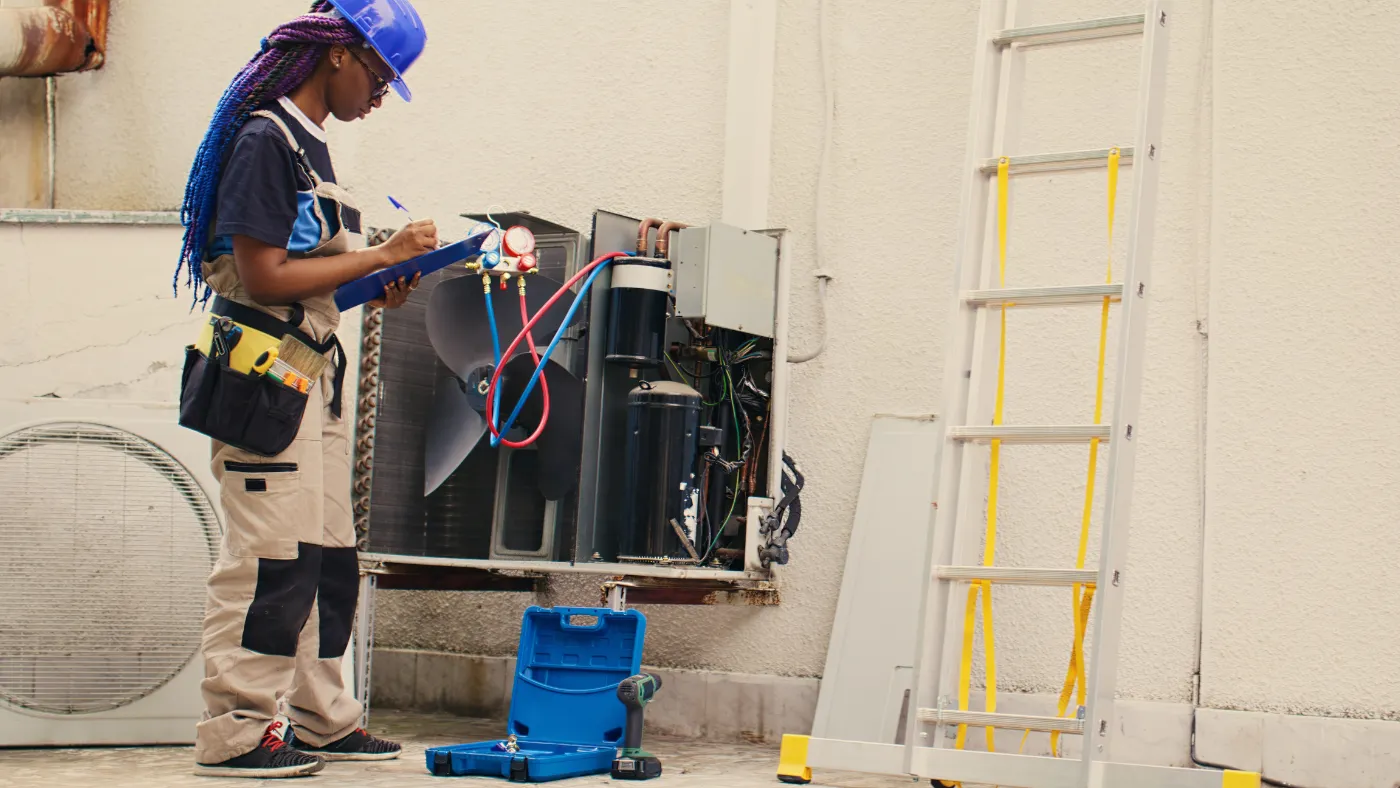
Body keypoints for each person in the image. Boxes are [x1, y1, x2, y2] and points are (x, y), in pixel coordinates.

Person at [171, 0, 436, 778]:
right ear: (338, 54)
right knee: (269, 561)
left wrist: (379, 282)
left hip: (308, 375)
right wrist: (379, 254)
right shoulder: (266, 139)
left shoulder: (310, 146)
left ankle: (322, 719)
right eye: (380, 78)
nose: (379, 96)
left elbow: (307, 279)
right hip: (263, 384)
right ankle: (237, 732)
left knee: (325, 557)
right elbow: (261, 276)